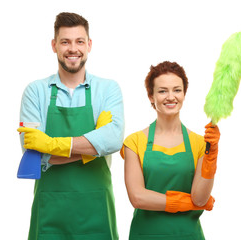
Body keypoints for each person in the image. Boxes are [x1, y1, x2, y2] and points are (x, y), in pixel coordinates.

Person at [17, 12, 124, 240]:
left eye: (79, 41)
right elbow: (33, 155)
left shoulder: (107, 89)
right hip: (50, 211)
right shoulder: (35, 92)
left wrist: (51, 145)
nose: (72, 48)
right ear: (54, 45)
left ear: (89, 45)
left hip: (97, 209)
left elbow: (114, 139)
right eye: (65, 41)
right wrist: (93, 149)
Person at [120, 61, 220, 239]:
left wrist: (211, 157)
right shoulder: (134, 142)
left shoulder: (199, 143)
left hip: (188, 235)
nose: (171, 97)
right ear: (151, 96)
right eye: (162, 91)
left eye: (177, 90)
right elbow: (137, 197)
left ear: (184, 94)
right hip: (146, 234)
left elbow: (199, 199)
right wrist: (182, 203)